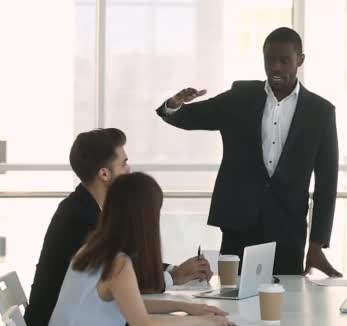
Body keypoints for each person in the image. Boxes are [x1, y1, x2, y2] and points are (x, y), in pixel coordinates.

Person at [156, 27, 341, 276]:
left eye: (284, 60)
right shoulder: (240, 97)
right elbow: (189, 117)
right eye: (270, 60)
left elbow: (327, 184)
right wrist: (175, 104)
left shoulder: (320, 112)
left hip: (288, 229)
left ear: (300, 60)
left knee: (287, 306)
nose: (276, 67)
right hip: (238, 223)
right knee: (233, 303)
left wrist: (317, 243)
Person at [25, 128, 212, 326]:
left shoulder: (92, 215)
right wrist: (176, 280)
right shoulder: (81, 219)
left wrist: (185, 305)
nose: (128, 170)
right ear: (104, 173)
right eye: (123, 164)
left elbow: (127, 295)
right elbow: (130, 291)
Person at [49, 172, 231, 326]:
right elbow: (143, 323)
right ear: (144, 219)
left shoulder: (93, 249)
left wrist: (185, 306)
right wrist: (205, 321)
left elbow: (132, 303)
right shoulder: (118, 264)